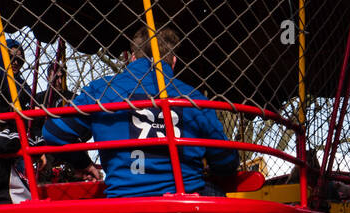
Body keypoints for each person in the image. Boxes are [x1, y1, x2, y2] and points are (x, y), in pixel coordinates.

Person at [40, 26, 239, 198]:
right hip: (184, 198)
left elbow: (55, 132)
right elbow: (226, 162)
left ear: (132, 57)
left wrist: (82, 162)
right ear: (174, 61)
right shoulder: (194, 97)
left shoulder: (102, 90)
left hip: (123, 199)